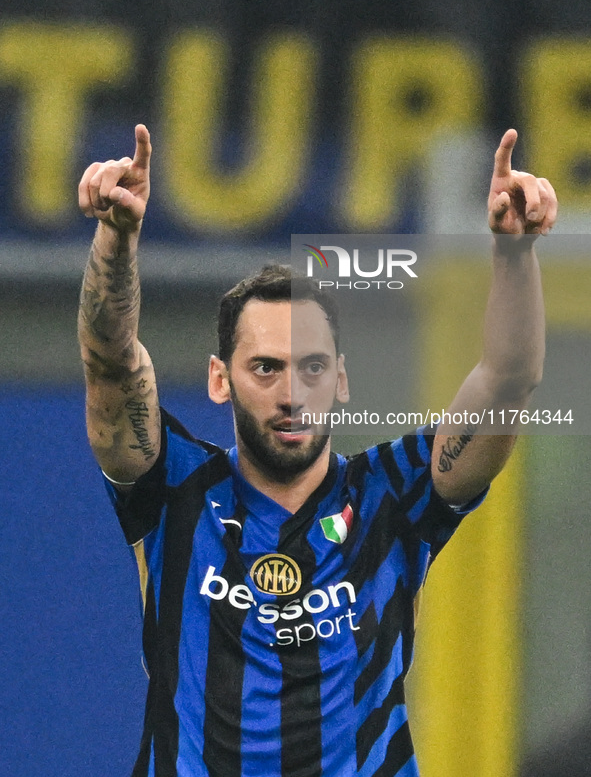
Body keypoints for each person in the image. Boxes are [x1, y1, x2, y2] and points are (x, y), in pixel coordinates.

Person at [77, 124, 557, 777]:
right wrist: (117, 238)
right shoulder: (174, 491)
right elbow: (109, 363)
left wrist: (512, 253)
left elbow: (508, 379)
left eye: (310, 367)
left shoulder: (396, 495)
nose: (291, 392)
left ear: (340, 379)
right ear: (220, 380)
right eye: (266, 368)